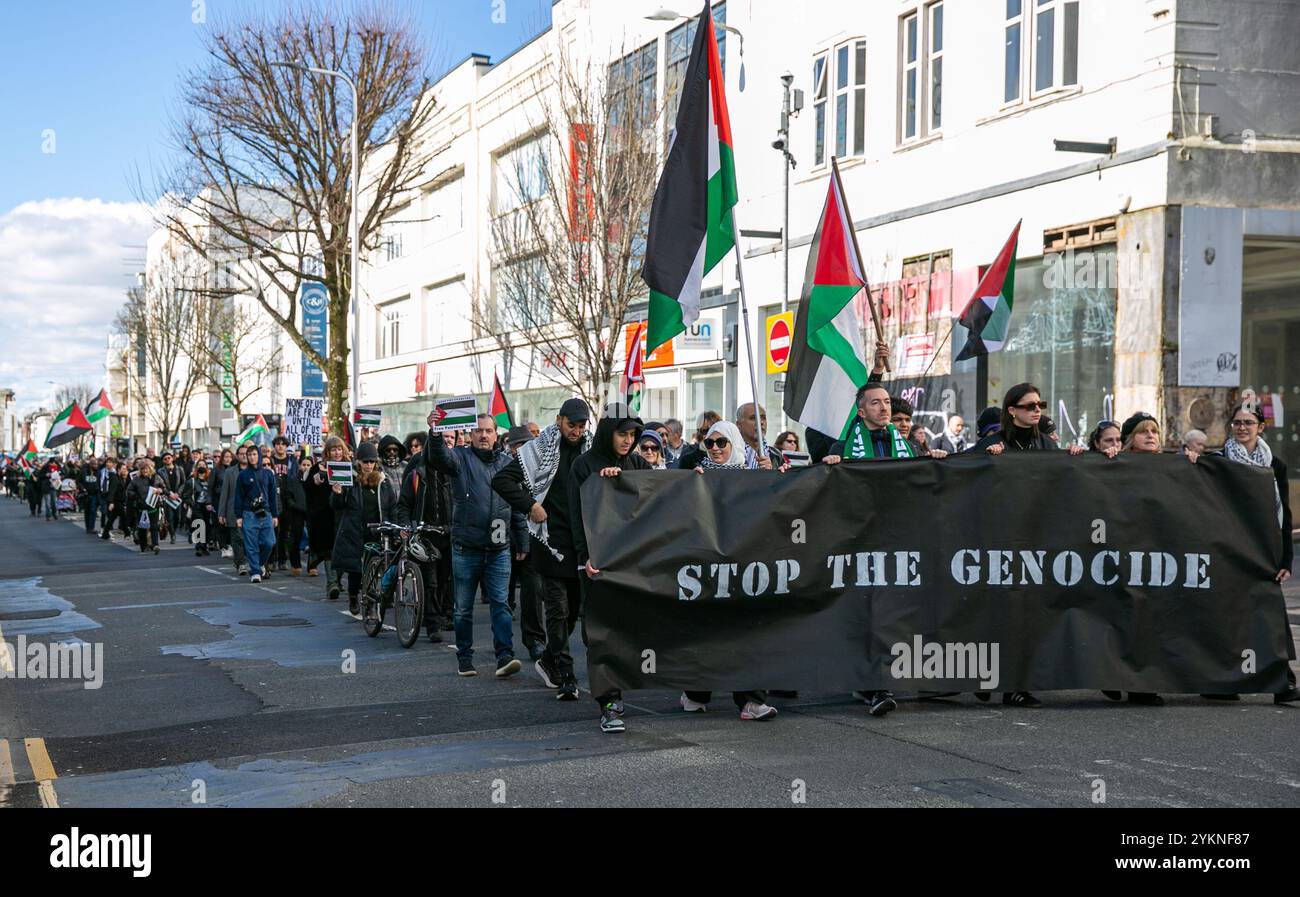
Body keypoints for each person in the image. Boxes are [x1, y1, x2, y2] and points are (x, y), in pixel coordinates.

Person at [972, 384, 1082, 707]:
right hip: (998, 541)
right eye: (1030, 405)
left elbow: (1063, 482)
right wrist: (985, 460)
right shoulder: (992, 444)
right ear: (1012, 410)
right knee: (997, 612)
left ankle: (1016, 684)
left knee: (1028, 615)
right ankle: (987, 673)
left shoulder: (1046, 445)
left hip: (1036, 542)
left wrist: (1074, 457)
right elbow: (963, 478)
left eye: (1040, 405)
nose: (1037, 410)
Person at [679, 418, 784, 722]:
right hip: (707, 563)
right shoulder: (696, 470)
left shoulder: (756, 471)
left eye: (721, 442)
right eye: (709, 443)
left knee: (747, 630)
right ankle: (697, 692)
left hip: (745, 561)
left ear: (734, 443)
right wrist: (689, 483)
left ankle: (751, 700)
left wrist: (769, 480)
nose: (713, 449)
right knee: (707, 630)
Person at [490, 398, 591, 692]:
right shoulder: (539, 449)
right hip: (548, 539)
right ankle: (565, 674)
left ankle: (548, 659)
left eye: (581, 425)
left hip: (579, 542)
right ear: (559, 420)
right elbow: (502, 481)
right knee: (558, 610)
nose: (576, 430)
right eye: (571, 424)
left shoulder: (591, 450)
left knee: (573, 610)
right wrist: (530, 504)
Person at [424, 410, 528, 679]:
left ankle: (505, 656)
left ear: (496, 435)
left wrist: (522, 539)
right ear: (470, 434)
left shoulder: (508, 463)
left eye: (489, 431)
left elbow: (516, 504)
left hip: (499, 548)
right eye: (478, 430)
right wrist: (435, 431)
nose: (483, 435)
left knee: (501, 604)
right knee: (463, 609)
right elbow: (438, 457)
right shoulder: (459, 458)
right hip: (466, 548)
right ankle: (465, 657)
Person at [569, 404, 653, 732]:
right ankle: (609, 703)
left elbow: (661, 492)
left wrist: (695, 476)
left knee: (629, 629)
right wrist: (584, 557)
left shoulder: (636, 462)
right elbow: (578, 514)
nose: (628, 441)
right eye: (622, 433)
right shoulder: (583, 465)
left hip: (631, 563)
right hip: (597, 564)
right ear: (607, 432)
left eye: (633, 434)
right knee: (601, 632)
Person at [1212, 404, 1300, 704]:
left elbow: (1284, 515)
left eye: (1248, 422)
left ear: (1260, 427)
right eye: (1236, 422)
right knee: (1229, 617)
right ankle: (1223, 683)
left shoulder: (1274, 464)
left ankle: (1282, 682)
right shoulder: (1220, 459)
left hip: (1264, 551)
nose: (1241, 428)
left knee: (1270, 617)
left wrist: (1286, 559)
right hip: (1232, 549)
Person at [330, 440, 397, 614]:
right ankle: (353, 596)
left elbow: (391, 505)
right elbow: (337, 505)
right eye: (365, 461)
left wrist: (394, 526)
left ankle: (373, 600)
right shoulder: (350, 480)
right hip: (355, 531)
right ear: (358, 462)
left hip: (378, 531)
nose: (369, 465)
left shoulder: (384, 482)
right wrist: (337, 494)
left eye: (371, 461)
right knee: (356, 570)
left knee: (377, 568)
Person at [233, 445, 279, 584]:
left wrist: (275, 515)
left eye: (254, 454)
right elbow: (238, 496)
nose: (252, 457)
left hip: (265, 512)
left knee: (269, 542)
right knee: (251, 544)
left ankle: (259, 563)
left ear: (259, 455)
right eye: (249, 455)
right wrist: (238, 516)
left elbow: (272, 495)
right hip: (249, 513)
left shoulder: (268, 474)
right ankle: (255, 572)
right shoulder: (243, 475)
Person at [305, 437, 345, 590]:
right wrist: (313, 482)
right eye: (333, 449)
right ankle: (332, 583)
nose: (337, 452)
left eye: (339, 449)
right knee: (329, 550)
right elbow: (307, 490)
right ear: (327, 452)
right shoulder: (318, 468)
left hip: (343, 515)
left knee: (341, 549)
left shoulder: (349, 467)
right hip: (324, 517)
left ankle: (338, 580)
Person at [267, 435, 306, 575]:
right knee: (273, 530)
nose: (280, 446)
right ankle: (271, 560)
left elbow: (297, 476)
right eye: (277, 444)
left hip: (287, 498)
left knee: (285, 531)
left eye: (283, 444)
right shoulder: (270, 460)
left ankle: (282, 559)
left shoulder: (292, 461)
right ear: (274, 446)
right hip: (274, 497)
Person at [219, 444, 251, 575]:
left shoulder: (254, 470)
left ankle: (246, 561)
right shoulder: (229, 472)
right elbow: (224, 493)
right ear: (237, 456)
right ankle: (241, 563)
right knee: (237, 538)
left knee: (248, 538)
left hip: (250, 510)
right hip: (233, 510)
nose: (244, 455)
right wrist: (221, 513)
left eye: (246, 453)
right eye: (241, 453)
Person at [127, 459, 165, 554]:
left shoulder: (156, 477)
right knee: (142, 527)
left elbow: (164, 488)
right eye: (143, 468)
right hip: (141, 506)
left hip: (153, 505)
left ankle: (155, 545)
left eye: (147, 468)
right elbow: (129, 491)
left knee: (154, 526)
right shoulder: (136, 479)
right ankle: (143, 546)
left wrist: (160, 490)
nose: (145, 470)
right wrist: (137, 497)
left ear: (150, 468)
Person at [734, 403, 784, 469]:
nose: (761, 422)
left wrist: (774, 471)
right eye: (753, 418)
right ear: (739, 425)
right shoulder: (731, 453)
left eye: (763, 418)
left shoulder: (776, 455)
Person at [181, 462, 214, 556]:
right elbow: (185, 495)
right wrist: (192, 504)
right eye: (199, 465)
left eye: (204, 465)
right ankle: (199, 547)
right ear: (196, 468)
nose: (202, 467)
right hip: (197, 506)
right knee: (200, 525)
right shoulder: (192, 481)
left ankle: (204, 546)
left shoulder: (210, 480)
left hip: (209, 507)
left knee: (208, 526)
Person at [157, 451, 184, 542]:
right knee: (170, 517)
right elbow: (160, 484)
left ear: (172, 458)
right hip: (167, 497)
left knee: (178, 517)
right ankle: (172, 535)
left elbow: (183, 483)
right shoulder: (160, 471)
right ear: (163, 461)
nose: (167, 460)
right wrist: (169, 494)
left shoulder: (179, 469)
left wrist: (178, 493)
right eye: (165, 459)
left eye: (169, 458)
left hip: (177, 497)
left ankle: (174, 530)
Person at [101, 462, 129, 540]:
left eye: (126, 469)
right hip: (116, 501)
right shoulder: (115, 478)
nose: (125, 470)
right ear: (119, 469)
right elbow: (112, 491)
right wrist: (111, 502)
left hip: (119, 501)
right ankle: (127, 533)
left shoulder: (120, 477)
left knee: (112, 518)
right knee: (123, 516)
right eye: (123, 469)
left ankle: (105, 534)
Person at [78, 456, 102, 534]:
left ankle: (91, 527)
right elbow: (78, 481)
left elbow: (100, 482)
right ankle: (88, 527)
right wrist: (82, 488)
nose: (96, 466)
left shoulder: (98, 472)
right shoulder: (84, 471)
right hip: (86, 494)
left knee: (93, 511)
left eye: (96, 464)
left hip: (94, 494)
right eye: (94, 464)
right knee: (87, 511)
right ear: (90, 465)